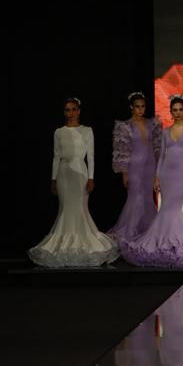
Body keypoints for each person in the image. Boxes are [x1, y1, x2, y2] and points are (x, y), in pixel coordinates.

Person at [118, 95, 183, 267]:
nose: (177, 113)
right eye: (174, 110)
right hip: (166, 176)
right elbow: (161, 156)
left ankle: (171, 242)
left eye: (180, 109)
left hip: (182, 176)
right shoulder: (165, 132)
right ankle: (167, 242)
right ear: (171, 112)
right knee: (165, 209)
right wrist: (156, 177)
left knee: (173, 209)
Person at [28, 98, 118, 267]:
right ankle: (63, 246)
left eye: (73, 109)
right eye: (67, 110)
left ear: (78, 111)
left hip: (80, 172)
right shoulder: (59, 132)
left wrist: (91, 177)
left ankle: (88, 246)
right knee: (65, 209)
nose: (70, 113)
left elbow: (90, 156)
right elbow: (56, 157)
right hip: (63, 173)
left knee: (80, 208)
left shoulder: (87, 131)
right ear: (64, 112)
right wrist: (53, 179)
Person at [108, 91, 162, 243]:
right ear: (131, 107)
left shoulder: (152, 124)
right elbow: (121, 150)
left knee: (147, 199)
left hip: (150, 167)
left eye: (143, 106)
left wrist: (158, 170)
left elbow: (157, 147)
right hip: (134, 167)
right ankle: (129, 233)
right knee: (135, 198)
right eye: (137, 106)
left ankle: (146, 232)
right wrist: (124, 172)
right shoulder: (125, 126)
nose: (140, 109)